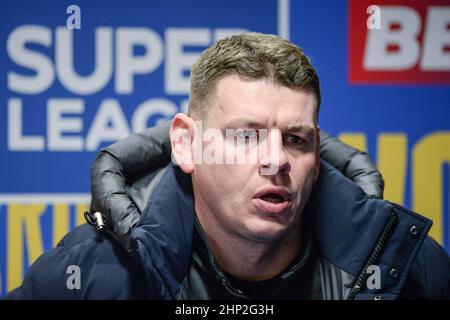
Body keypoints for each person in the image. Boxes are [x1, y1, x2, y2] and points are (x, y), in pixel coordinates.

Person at [6, 33, 449, 300]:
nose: (276, 160)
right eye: (245, 136)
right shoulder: (90, 272)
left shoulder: (409, 267)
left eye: (296, 139)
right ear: (186, 144)